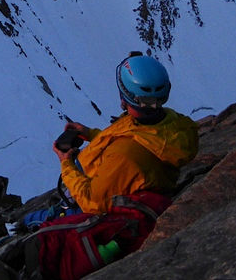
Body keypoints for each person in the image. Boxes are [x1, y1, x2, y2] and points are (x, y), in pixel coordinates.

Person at [53, 51, 199, 214]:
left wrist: (66, 164)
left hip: (82, 204)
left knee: (35, 220)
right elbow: (136, 137)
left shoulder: (125, 156)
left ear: (124, 97)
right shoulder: (167, 124)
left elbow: (92, 201)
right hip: (116, 183)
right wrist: (91, 134)